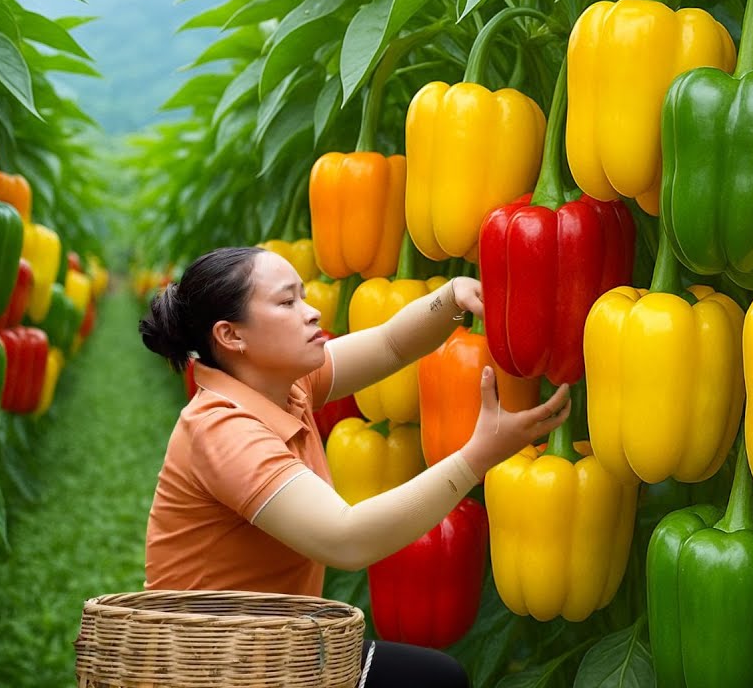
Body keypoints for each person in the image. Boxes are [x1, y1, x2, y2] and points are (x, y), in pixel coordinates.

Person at [138, 246, 571, 687]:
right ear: (231, 336)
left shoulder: (283, 386)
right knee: (432, 681)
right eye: (287, 302)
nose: (312, 312)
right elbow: (346, 540)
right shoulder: (224, 429)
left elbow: (390, 344)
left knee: (435, 678)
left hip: (273, 648)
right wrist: (477, 457)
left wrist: (452, 298)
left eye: (304, 297)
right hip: (209, 665)